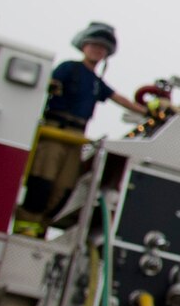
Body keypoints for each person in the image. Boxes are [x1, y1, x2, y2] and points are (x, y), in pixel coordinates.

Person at [16, 21, 144, 232]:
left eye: (102, 48)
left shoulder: (96, 82)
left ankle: (41, 227)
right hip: (56, 133)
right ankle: (24, 226)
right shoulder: (68, 68)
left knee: (64, 188)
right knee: (42, 180)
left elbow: (117, 98)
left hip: (76, 138)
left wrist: (148, 112)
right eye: (94, 45)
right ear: (84, 46)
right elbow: (49, 83)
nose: (97, 50)